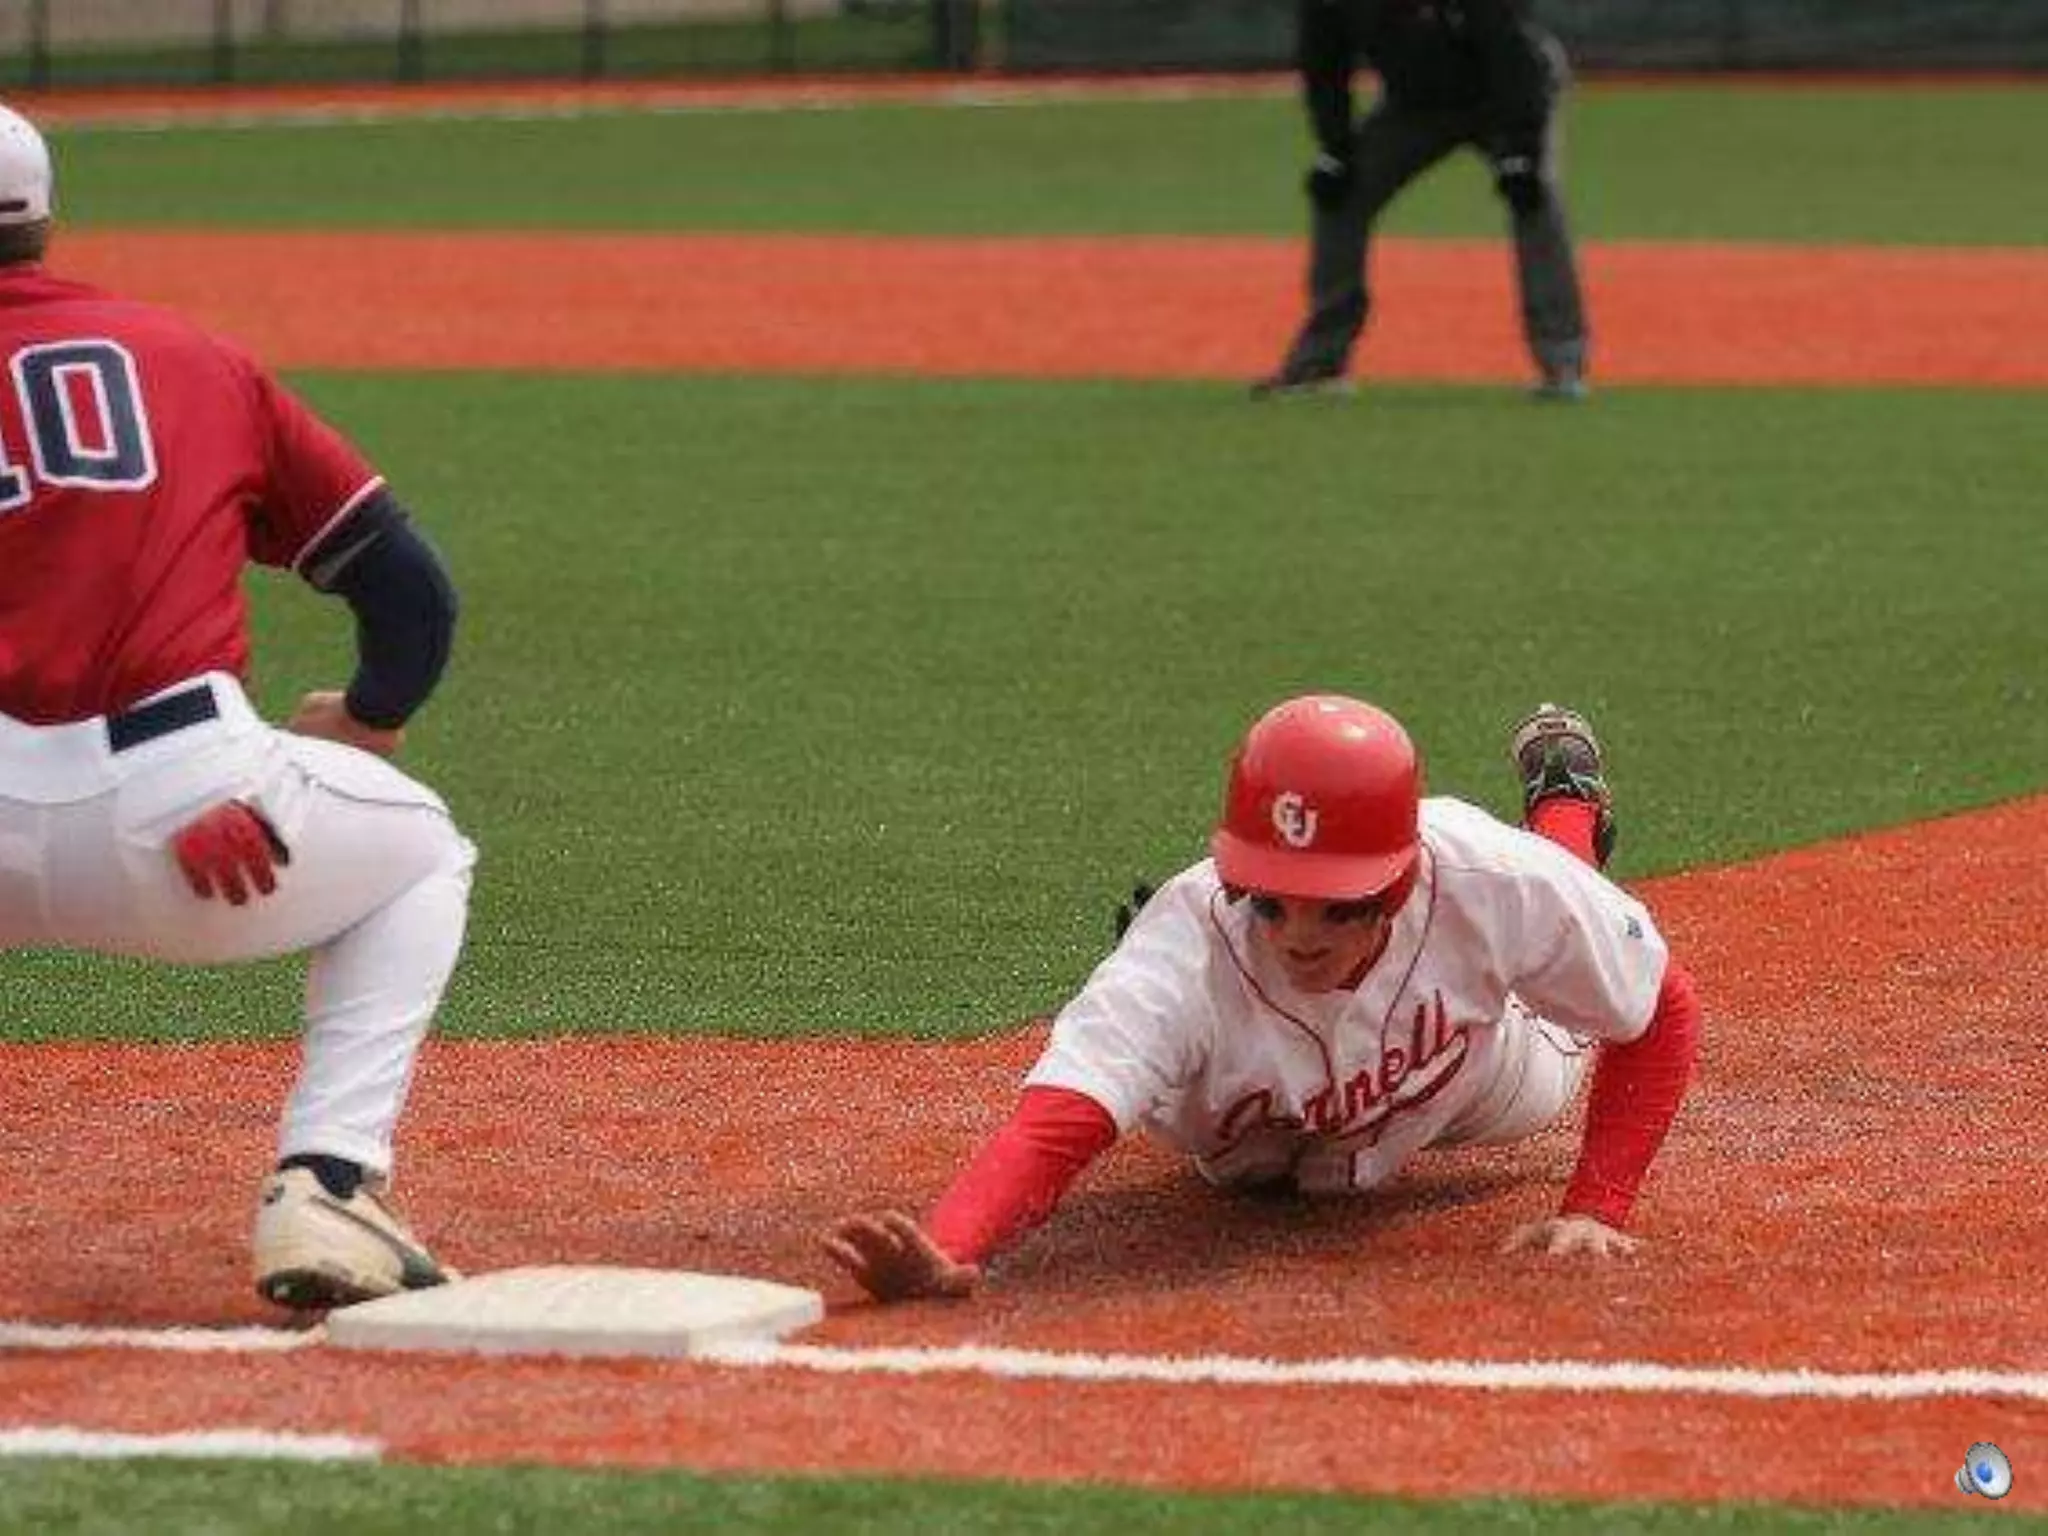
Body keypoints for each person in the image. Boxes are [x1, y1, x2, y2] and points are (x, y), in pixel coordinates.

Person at [0, 102, 470, 1311]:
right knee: (419, 851)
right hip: (195, 824)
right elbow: (407, 588)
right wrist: (369, 715)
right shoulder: (188, 357)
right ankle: (325, 1184)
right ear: (43, 216)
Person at [825, 697, 1702, 1301]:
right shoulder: (1186, 946)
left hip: (1463, 1077)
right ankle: (1192, 1050)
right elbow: (1056, 1123)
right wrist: (949, 1244)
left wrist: (1595, 1206)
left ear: (1400, 880)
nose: (1298, 935)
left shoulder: (1482, 879)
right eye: (1269, 897)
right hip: (1240, 1129)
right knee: (1245, 1164)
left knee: (1568, 976)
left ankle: (1566, 811)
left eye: (1336, 903)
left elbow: (1657, 1007)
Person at [1252, 0, 1591, 401]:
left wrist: (1521, 152)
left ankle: (1562, 362)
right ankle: (1321, 364)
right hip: (1417, 105)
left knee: (1534, 200)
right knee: (1340, 197)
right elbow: (1324, 65)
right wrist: (1335, 148)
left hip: (1507, 93)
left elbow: (1510, 54)